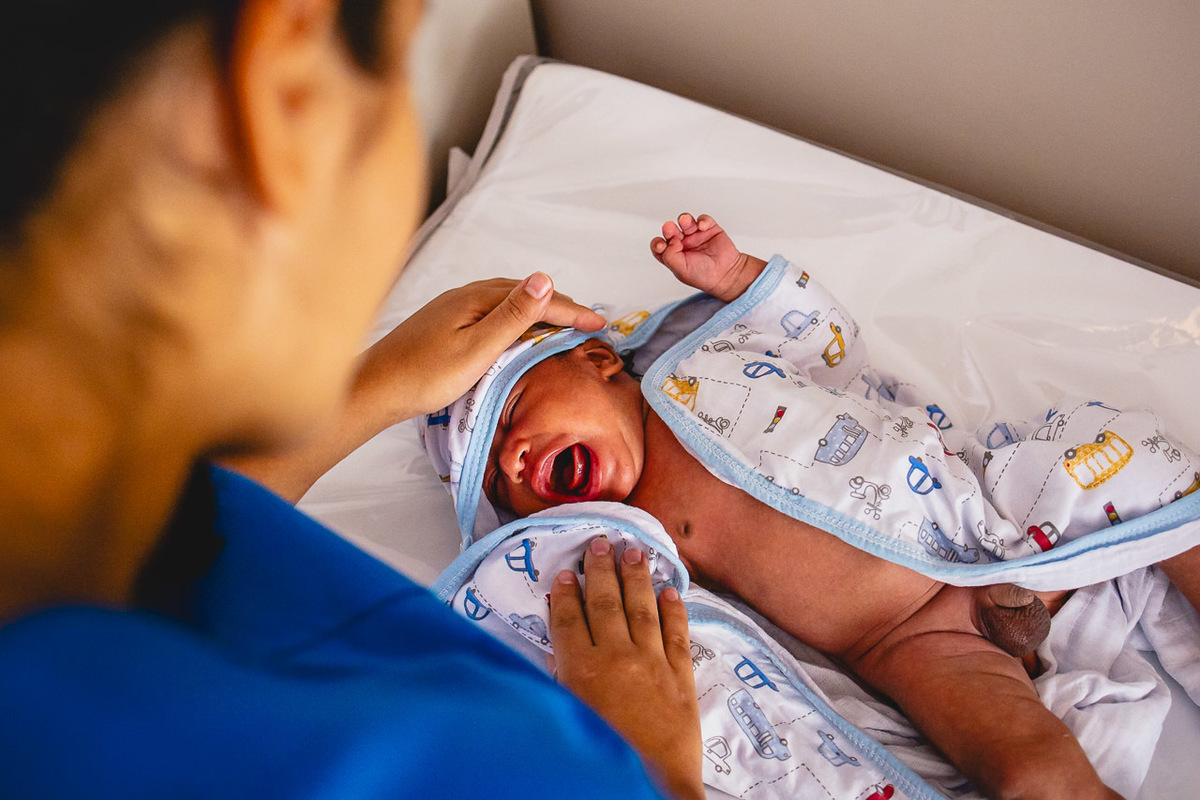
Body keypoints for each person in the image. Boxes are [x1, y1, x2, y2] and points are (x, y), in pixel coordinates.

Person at [0, 2, 705, 798]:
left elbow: (207, 543)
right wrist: (656, 768)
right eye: (402, 67)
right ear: (286, 86)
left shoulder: (120, 542)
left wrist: (374, 384)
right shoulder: (501, 763)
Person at [436, 212, 1200, 799]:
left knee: (1127, 458)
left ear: (600, 362)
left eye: (513, 415)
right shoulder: (618, 542)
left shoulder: (699, 364)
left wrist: (738, 277)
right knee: (1031, 774)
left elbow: (830, 348)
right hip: (915, 647)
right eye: (501, 483)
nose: (514, 459)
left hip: (980, 517)